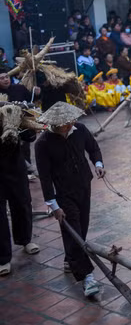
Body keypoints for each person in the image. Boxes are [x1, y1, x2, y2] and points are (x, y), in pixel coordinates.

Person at [34, 102, 105, 297]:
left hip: (84, 185)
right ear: (55, 124)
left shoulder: (80, 130)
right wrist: (53, 205)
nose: (69, 124)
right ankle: (86, 277)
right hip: (64, 194)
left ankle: (69, 258)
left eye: (71, 121)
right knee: (74, 230)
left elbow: (93, 148)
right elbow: (45, 177)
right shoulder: (43, 143)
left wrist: (98, 163)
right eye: (65, 123)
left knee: (82, 225)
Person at [0, 106, 39, 276]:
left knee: (22, 204)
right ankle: (2, 258)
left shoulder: (9, 109)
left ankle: (25, 240)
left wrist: (25, 125)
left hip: (15, 167)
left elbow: (30, 136)